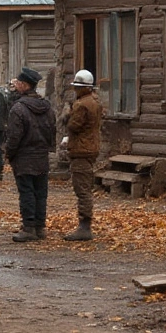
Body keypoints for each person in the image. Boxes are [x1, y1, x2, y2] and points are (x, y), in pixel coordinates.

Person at [4, 67, 55, 243]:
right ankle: (40, 227)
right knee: (41, 192)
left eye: (18, 82)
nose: (15, 85)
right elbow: (52, 130)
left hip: (24, 157)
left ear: (25, 85)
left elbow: (14, 136)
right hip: (41, 155)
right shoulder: (46, 107)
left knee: (26, 192)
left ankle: (29, 227)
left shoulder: (18, 109)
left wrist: (9, 153)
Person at [64, 69, 102, 241]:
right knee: (85, 187)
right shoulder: (95, 101)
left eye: (77, 87)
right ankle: (84, 224)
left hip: (81, 149)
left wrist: (67, 114)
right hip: (90, 147)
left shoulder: (81, 105)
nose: (75, 90)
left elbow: (73, 125)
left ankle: (84, 226)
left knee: (82, 189)